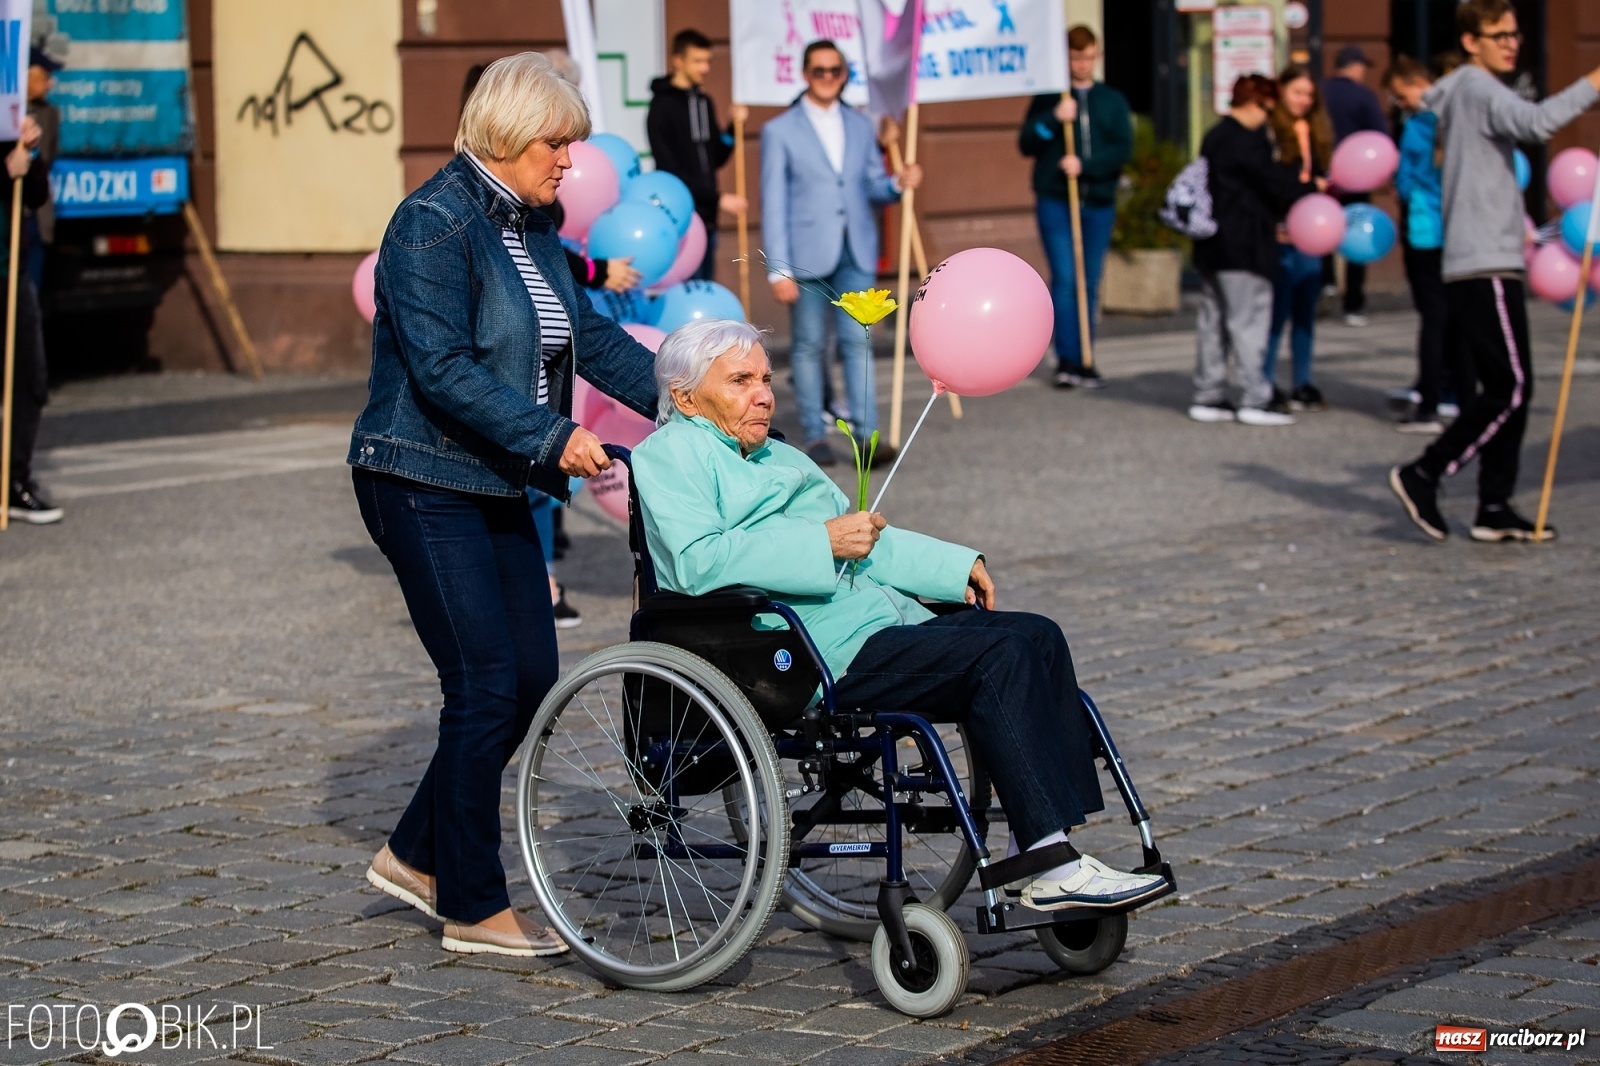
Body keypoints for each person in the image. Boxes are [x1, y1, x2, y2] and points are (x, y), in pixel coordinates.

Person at [631, 319, 1171, 911]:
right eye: (740, 381)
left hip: (874, 624)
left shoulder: (779, 456)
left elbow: (865, 540)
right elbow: (695, 563)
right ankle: (1046, 861)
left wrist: (955, 566)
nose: (763, 394)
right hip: (796, 650)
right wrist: (822, 544)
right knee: (1001, 656)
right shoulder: (670, 453)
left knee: (1038, 634)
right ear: (685, 397)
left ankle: (1041, 844)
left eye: (766, 378)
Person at [350, 53, 661, 956]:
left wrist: (685, 396)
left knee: (527, 681)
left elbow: (586, 336)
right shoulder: (431, 224)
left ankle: (414, 852)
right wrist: (551, 436)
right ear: (503, 135)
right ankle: (471, 904)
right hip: (418, 476)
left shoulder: (535, 223)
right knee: (482, 683)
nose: (570, 160)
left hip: (495, 477)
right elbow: (441, 369)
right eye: (556, 142)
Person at [1390, 0, 1600, 544]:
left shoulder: (1466, 91)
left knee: (1511, 385)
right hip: (1481, 260)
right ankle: (1425, 473)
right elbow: (1537, 122)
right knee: (1509, 388)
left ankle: (1493, 505)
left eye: (1514, 33)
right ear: (1470, 41)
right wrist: (1594, 81)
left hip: (1493, 256)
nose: (1511, 42)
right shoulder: (1478, 88)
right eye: (1498, 34)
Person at [761, 38, 920, 467]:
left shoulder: (861, 125)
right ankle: (815, 434)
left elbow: (871, 185)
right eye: (819, 70)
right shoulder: (779, 131)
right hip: (807, 254)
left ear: (845, 75)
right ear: (804, 74)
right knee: (811, 346)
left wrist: (896, 182)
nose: (828, 77)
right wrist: (778, 270)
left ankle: (867, 437)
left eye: (836, 70)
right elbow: (773, 203)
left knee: (858, 342)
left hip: (856, 248)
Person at [1188, 76, 1318, 427]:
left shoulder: (1214, 135)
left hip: (1211, 244)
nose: (1267, 116)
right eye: (1267, 107)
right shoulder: (1248, 141)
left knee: (1213, 322)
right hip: (1245, 244)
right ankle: (1254, 398)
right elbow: (1274, 182)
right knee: (1249, 322)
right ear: (1253, 103)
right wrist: (1310, 188)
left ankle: (1208, 395)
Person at [1018, 25, 1132, 390]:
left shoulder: (1110, 100)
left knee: (1090, 281)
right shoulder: (1051, 97)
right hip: (1056, 201)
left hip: (1096, 203)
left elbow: (1122, 149)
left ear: (1096, 57)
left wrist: (1086, 166)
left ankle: (1086, 356)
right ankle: (1066, 358)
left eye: (1088, 56)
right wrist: (1053, 119)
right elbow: (1027, 143)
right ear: (1065, 58)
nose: (1082, 64)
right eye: (1075, 56)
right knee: (1065, 279)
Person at [647, 29, 748, 280]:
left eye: (708, 61)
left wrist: (732, 127)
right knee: (685, 288)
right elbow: (670, 170)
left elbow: (716, 157)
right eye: (698, 61)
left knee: (705, 285)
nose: (705, 68)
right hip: (681, 218)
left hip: (708, 219)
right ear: (678, 60)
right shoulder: (661, 107)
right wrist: (718, 198)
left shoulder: (704, 101)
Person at [1263, 64, 1334, 412]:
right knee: (1277, 312)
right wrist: (1310, 187)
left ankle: (1302, 381)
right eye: (1297, 93)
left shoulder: (1317, 131)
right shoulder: (1272, 132)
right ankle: (1265, 379)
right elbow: (1274, 183)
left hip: (1313, 234)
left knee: (1305, 312)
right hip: (1281, 232)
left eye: (1309, 94)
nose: (1304, 101)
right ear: (1282, 92)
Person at [1387, 54, 1450, 436]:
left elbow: (1407, 181)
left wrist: (1401, 192)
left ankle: (1428, 403)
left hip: (1425, 229)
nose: (1400, 103)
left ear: (1417, 84)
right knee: (1456, 318)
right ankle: (1454, 395)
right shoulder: (1455, 120)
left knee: (1433, 318)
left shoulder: (1416, 127)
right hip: (1457, 231)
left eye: (1400, 95)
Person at [4, 115, 59, 524]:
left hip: (11, 271)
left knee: (29, 377)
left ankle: (13, 480)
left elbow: (35, 196)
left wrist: (30, 153)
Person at [1322, 45, 1389, 327]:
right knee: (1357, 237)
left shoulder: (1320, 92)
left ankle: (1324, 284)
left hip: (1323, 176)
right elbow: (1380, 134)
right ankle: (1353, 304)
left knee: (1322, 230)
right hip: (1356, 179)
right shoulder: (1363, 96)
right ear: (1355, 66)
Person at [25, 48, 60, 292]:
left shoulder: (50, 113)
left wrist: (33, 154)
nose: (51, 83)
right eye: (45, 76)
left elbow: (48, 157)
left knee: (32, 292)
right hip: (14, 212)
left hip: (36, 212)